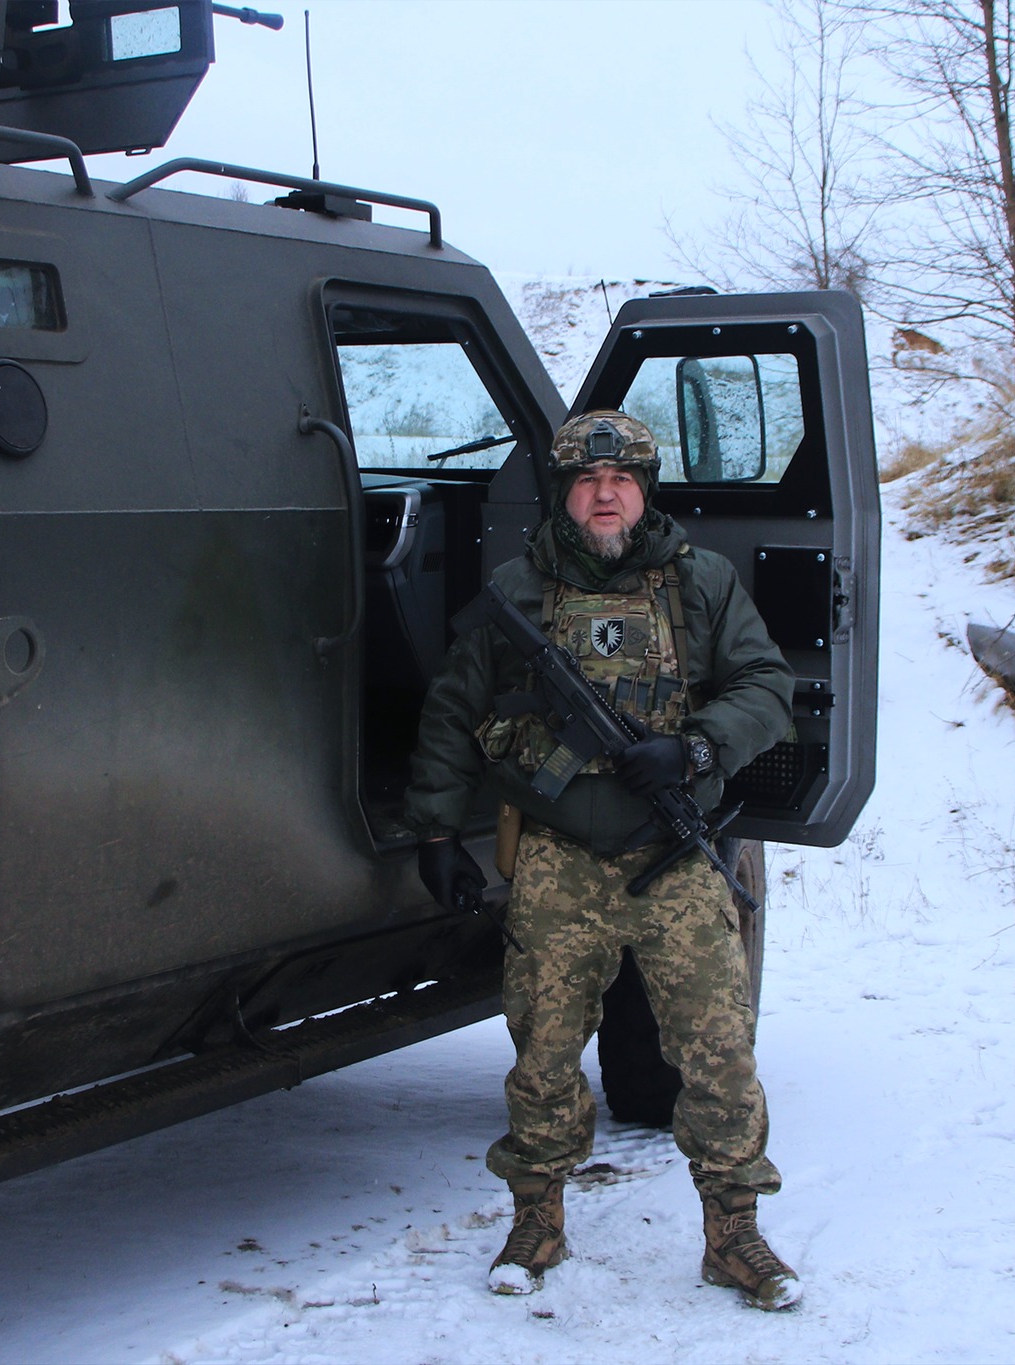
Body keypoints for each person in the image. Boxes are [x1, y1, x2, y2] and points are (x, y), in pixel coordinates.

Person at [403, 409, 802, 1310]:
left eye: (621, 479)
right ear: (565, 493)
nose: (606, 494)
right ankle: (536, 1221)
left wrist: (694, 748)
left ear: (644, 490)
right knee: (542, 1051)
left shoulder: (700, 582)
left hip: (674, 857)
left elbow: (767, 686)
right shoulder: (520, 588)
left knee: (720, 1049)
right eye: (588, 480)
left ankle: (734, 1233)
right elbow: (453, 711)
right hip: (558, 860)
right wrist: (435, 833)